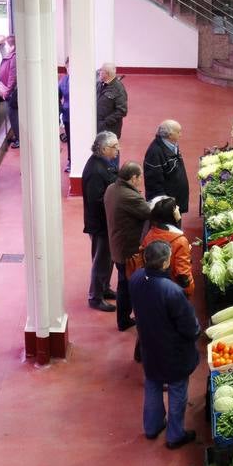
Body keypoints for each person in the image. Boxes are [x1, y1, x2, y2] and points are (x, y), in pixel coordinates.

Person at [128, 241, 200, 449]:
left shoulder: (136, 279)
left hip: (149, 345)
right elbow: (189, 327)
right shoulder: (171, 291)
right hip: (174, 351)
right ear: (167, 261)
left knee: (152, 383)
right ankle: (175, 435)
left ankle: (152, 427)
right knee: (177, 389)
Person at [104, 162, 152, 331]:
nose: (141, 181)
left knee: (123, 283)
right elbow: (148, 212)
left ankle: (123, 318)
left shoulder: (112, 188)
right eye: (140, 177)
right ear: (133, 178)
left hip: (116, 244)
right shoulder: (129, 196)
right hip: (127, 249)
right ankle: (124, 319)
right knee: (128, 284)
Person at [82, 132, 120, 311]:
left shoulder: (105, 164)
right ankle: (95, 297)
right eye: (114, 147)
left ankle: (104, 288)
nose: (117, 150)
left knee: (108, 258)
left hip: (107, 222)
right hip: (100, 224)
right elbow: (96, 200)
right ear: (104, 149)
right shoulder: (96, 170)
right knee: (101, 260)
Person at [141, 197, 194, 297]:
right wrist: (188, 291)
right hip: (173, 292)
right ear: (173, 214)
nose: (178, 207)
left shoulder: (149, 234)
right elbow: (183, 274)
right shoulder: (180, 241)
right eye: (175, 207)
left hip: (152, 288)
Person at [143, 120, 190, 213]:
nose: (181, 135)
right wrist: (166, 206)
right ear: (170, 135)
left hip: (176, 201)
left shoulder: (172, 145)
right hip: (167, 208)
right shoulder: (155, 153)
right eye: (178, 132)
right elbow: (154, 184)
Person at [0, 35, 19, 148]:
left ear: (12, 46)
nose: (5, 47)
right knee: (12, 116)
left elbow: (12, 78)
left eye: (7, 45)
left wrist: (6, 92)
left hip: (11, 93)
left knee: (13, 116)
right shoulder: (10, 55)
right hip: (9, 92)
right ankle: (18, 136)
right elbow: (1, 47)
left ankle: (19, 139)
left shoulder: (14, 58)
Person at [96, 63, 128, 136]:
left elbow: (122, 111)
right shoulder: (100, 84)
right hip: (98, 127)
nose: (99, 72)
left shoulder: (118, 89)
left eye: (101, 70)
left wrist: (105, 122)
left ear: (107, 74)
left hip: (109, 130)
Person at [58, 59, 71, 172]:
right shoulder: (64, 80)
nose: (70, 69)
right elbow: (57, 95)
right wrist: (60, 110)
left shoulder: (83, 80)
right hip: (67, 115)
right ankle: (71, 160)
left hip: (80, 116)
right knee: (70, 138)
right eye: (68, 66)